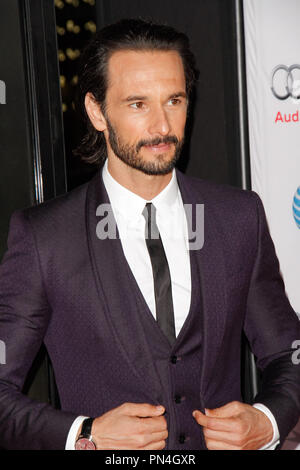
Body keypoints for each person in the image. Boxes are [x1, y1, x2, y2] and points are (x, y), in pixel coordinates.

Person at [0, 18, 300, 451]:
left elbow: (288, 352)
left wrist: (267, 421)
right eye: (138, 104)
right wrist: (85, 434)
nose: (162, 126)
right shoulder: (45, 238)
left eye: (174, 100)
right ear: (96, 111)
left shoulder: (238, 218)